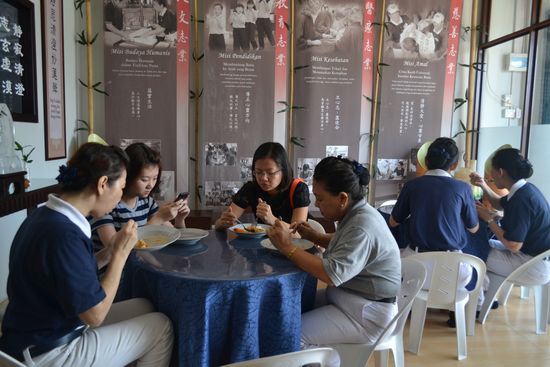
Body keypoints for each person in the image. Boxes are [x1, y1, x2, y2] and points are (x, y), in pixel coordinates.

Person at [0, 143, 173, 365]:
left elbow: (71, 271)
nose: (121, 194)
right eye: (120, 187)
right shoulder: (64, 235)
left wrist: (110, 251)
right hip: (49, 351)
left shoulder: (46, 214)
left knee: (144, 306)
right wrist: (120, 255)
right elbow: (95, 315)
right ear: (102, 184)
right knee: (161, 327)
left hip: (41, 329)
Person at [267, 157, 401, 361]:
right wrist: (314, 236)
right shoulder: (358, 213)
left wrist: (287, 247)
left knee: (291, 335)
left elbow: (330, 274)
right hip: (351, 300)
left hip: (366, 314)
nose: (316, 204)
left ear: (342, 198)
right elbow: (347, 244)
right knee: (292, 305)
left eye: (320, 199)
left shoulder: (361, 226)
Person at [389, 137, 479, 284]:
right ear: (455, 164)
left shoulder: (412, 186)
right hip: (454, 271)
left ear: (426, 160)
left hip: (417, 268)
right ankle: (472, 303)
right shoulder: (463, 188)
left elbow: (393, 222)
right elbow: (474, 229)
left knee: (395, 260)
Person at [470, 148, 550, 287]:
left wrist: (489, 219)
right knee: (482, 243)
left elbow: (513, 245)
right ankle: (485, 295)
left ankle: (479, 299)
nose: (491, 176)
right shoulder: (525, 189)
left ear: (500, 172)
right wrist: (483, 185)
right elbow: (500, 204)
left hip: (531, 265)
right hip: (534, 257)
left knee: (472, 253)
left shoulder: (522, 199)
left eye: (492, 172)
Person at [91, 142, 189, 251]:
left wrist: (180, 219)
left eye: (155, 178)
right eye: (144, 179)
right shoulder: (106, 205)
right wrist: (158, 219)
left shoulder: (147, 202)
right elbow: (113, 249)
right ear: (128, 176)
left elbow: (175, 237)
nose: (151, 185)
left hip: (137, 262)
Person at [215, 142, 309, 231]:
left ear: (283, 171)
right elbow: (219, 224)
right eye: (258, 172)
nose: (263, 178)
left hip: (292, 246)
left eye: (270, 173)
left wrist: (272, 220)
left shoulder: (298, 189)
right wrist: (223, 222)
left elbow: (298, 233)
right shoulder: (251, 188)